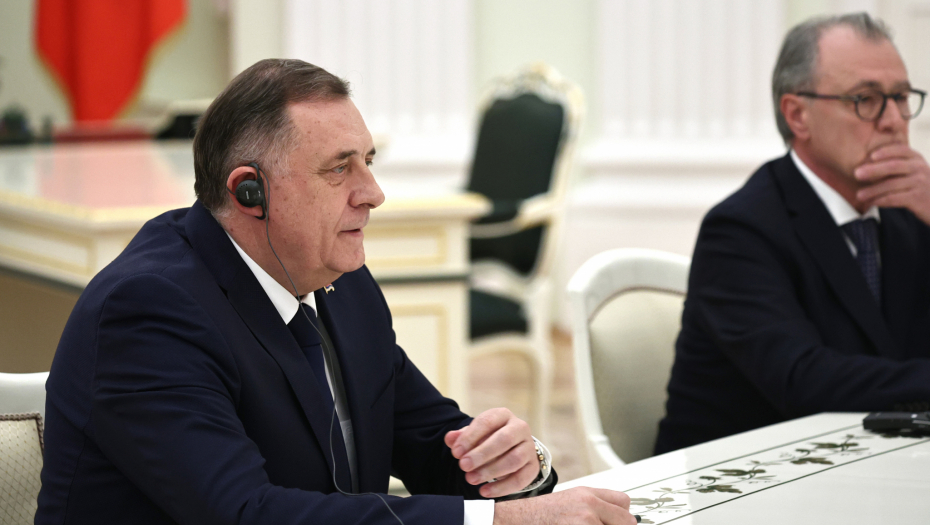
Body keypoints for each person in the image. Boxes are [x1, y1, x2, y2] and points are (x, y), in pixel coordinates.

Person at [36, 59, 635, 525]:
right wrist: (499, 522)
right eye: (339, 168)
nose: (373, 193)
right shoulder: (148, 312)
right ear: (250, 193)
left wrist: (520, 467)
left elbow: (433, 445)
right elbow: (247, 514)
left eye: (368, 161)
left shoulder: (340, 283)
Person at [656, 12, 930, 455]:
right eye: (866, 99)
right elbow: (804, 380)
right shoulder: (741, 230)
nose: (894, 120)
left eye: (900, 97)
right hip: (743, 477)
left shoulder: (912, 212)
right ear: (797, 115)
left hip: (876, 458)